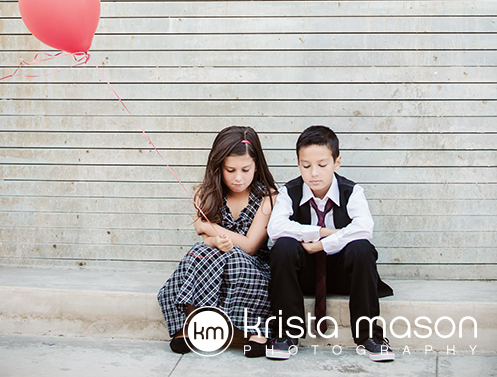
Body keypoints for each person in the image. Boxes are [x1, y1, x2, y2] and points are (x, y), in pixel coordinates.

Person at [265, 125, 394, 362]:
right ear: (298, 164)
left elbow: (364, 228)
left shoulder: (352, 191)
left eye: (322, 165)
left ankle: (369, 336)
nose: (314, 173)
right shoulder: (289, 192)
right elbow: (275, 228)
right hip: (304, 276)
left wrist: (321, 245)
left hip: (343, 275)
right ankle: (286, 334)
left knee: (361, 247)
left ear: (337, 162)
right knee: (283, 247)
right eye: (306, 166)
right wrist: (321, 232)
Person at [157, 125, 278, 358]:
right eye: (230, 170)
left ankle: (257, 329)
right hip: (213, 262)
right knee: (200, 252)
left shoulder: (268, 197)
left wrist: (207, 226)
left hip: (252, 267)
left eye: (245, 169)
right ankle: (191, 322)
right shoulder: (206, 193)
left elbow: (250, 246)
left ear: (257, 166)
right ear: (219, 167)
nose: (238, 177)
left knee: (235, 256)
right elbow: (206, 239)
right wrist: (214, 240)